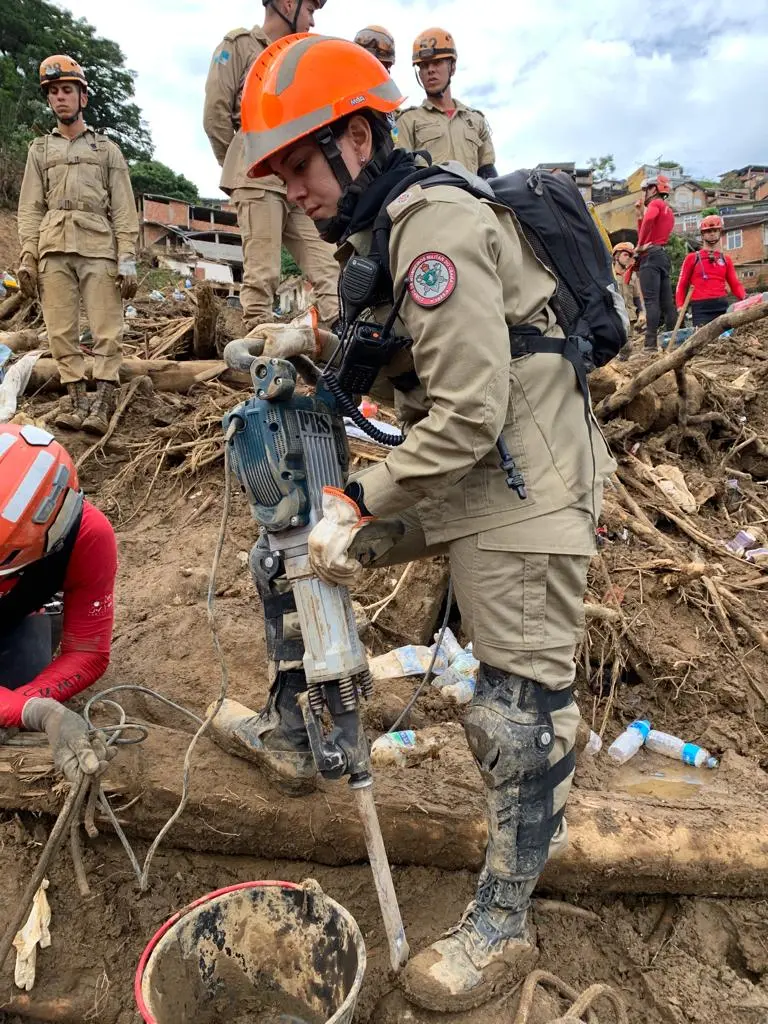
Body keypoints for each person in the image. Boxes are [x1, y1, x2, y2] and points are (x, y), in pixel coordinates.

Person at [211, 35, 616, 1013]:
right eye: (278, 173)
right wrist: (289, 339)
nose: (292, 188)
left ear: (356, 138)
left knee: (516, 713)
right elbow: (383, 333)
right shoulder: (380, 230)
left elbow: (472, 408)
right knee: (290, 558)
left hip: (528, 476)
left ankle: (503, 922)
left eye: (300, 162)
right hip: (462, 464)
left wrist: (358, 499)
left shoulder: (431, 221)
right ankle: (297, 734)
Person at [17, 55, 139, 435]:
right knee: (60, 329)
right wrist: (27, 254)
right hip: (53, 247)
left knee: (106, 327)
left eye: (67, 90)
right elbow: (30, 207)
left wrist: (129, 257)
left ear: (82, 97)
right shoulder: (39, 150)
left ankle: (103, 399)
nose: (60, 98)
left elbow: (122, 206)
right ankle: (74, 398)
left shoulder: (107, 150)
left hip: (99, 246)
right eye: (53, 92)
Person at [203, 1, 340, 330]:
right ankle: (258, 366)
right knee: (262, 277)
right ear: (289, 4)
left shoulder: (303, 55)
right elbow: (215, 117)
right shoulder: (238, 47)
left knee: (330, 269)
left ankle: (345, 355)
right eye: (310, 8)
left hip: (302, 178)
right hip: (258, 177)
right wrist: (243, 171)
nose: (311, 19)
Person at [0, 424, 118, 782]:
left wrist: (34, 702)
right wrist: (29, 712)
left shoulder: (88, 536)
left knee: (22, 675)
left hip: (15, 618)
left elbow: (87, 652)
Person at [395, 28, 497, 178]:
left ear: (453, 67)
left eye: (437, 62)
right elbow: (399, 172)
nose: (430, 70)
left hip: (473, 198)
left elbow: (489, 173)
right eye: (423, 65)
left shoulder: (476, 120)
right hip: (432, 198)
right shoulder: (407, 121)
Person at [630, 173, 676, 351]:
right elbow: (649, 228)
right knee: (667, 303)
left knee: (651, 302)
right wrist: (639, 216)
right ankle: (672, 340)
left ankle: (649, 345)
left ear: (654, 189)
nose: (644, 194)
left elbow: (649, 223)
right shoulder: (668, 211)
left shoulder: (656, 204)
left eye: (645, 190)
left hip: (650, 256)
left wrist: (640, 246)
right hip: (662, 255)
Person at [675, 215, 746, 327]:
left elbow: (735, 284)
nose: (712, 234)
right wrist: (680, 306)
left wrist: (745, 298)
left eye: (715, 230)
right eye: (708, 231)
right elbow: (682, 284)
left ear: (720, 232)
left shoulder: (725, 260)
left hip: (721, 305)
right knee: (703, 341)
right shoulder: (692, 258)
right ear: (702, 234)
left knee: (725, 340)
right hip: (700, 308)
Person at [612, 242, 645, 342]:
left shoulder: (632, 275)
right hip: (615, 318)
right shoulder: (610, 275)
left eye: (630, 255)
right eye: (625, 254)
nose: (628, 258)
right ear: (617, 257)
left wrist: (642, 313)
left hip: (630, 317)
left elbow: (636, 297)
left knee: (628, 346)